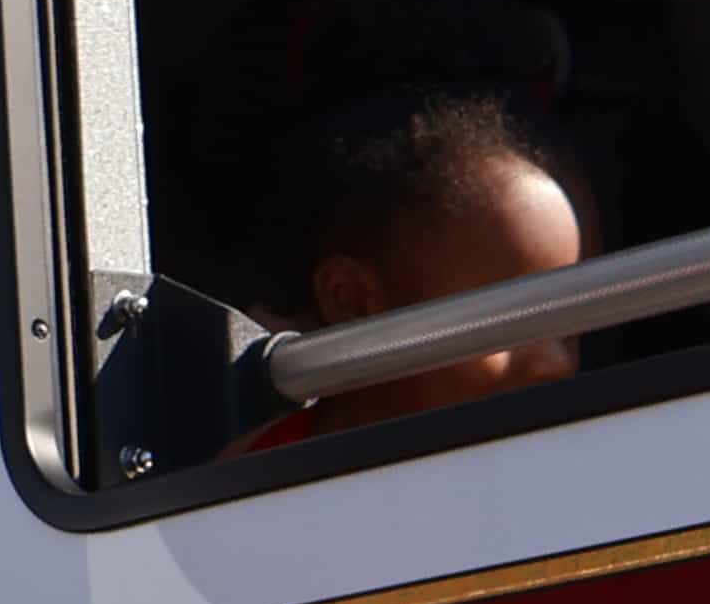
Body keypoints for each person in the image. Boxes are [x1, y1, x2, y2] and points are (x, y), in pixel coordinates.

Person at [250, 78, 592, 441]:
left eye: (567, 330)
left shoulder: (560, 468)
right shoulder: (251, 483)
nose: (556, 365)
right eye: (507, 323)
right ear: (353, 301)